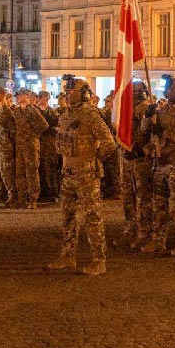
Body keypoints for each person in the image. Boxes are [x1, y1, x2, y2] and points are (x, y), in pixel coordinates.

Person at [48, 76, 116, 275]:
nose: (69, 96)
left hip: (86, 174)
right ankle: (68, 255)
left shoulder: (91, 116)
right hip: (68, 171)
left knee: (92, 217)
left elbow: (109, 143)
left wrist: (93, 159)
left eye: (73, 92)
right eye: (67, 92)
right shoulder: (66, 115)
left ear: (83, 95)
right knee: (68, 216)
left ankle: (98, 259)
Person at [143, 75, 175, 256]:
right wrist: (148, 116)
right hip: (160, 161)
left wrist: (164, 132)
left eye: (172, 89)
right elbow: (146, 130)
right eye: (167, 89)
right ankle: (158, 240)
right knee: (159, 204)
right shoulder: (163, 111)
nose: (168, 92)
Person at [116, 81, 155, 248]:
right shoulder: (125, 108)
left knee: (143, 198)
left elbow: (153, 135)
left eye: (134, 91)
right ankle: (130, 230)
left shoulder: (147, 108)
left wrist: (144, 150)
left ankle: (144, 232)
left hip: (140, 159)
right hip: (127, 157)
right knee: (127, 198)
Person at [11, 88, 48, 208]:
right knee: (20, 173)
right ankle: (22, 198)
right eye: (17, 95)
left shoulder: (32, 110)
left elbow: (44, 125)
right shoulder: (16, 111)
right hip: (20, 146)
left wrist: (32, 133)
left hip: (31, 145)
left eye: (20, 95)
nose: (17, 97)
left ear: (26, 96)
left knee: (31, 172)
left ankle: (33, 199)